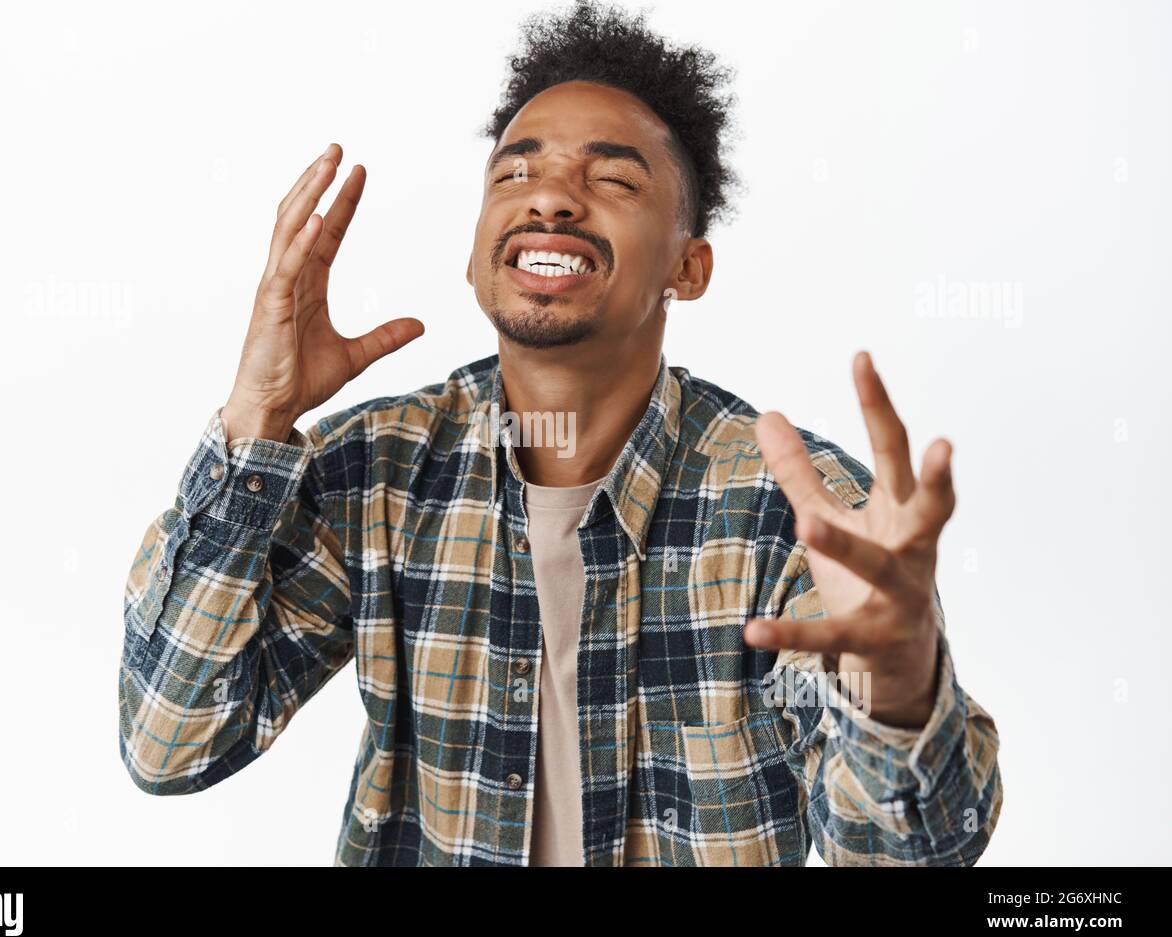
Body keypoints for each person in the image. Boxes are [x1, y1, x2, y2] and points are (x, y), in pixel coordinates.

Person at [118, 0, 1002, 866]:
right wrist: (255, 419)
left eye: (613, 179)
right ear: (475, 256)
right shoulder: (376, 471)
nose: (550, 198)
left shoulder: (797, 511)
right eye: (515, 174)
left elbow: (902, 858)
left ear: (686, 268)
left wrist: (898, 694)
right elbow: (172, 743)